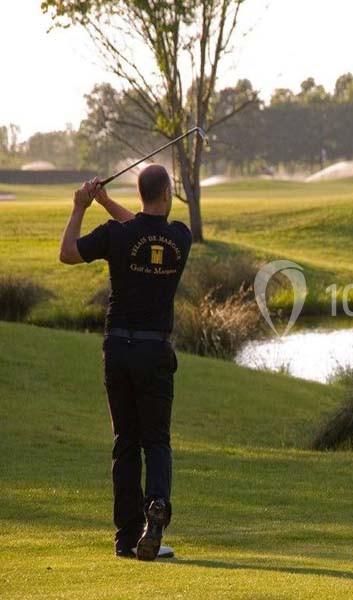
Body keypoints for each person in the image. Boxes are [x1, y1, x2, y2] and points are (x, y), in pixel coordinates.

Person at [59, 165, 192, 560]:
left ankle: (127, 538)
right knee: (157, 441)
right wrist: (104, 202)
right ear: (166, 193)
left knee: (126, 443)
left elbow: (68, 253)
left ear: (140, 193)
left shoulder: (116, 234)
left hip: (118, 349)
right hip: (155, 352)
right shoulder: (180, 237)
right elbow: (143, 227)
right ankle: (156, 510)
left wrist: (81, 206)